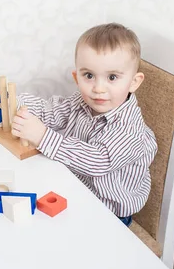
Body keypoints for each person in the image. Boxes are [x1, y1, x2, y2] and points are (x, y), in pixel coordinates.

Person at [11, 23, 157, 227]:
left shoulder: (129, 130)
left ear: (134, 82)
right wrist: (13, 102)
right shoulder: (80, 102)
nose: (98, 88)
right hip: (75, 188)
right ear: (76, 77)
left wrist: (43, 136)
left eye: (112, 77)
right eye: (89, 76)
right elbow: (50, 112)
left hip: (108, 211)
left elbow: (97, 161)